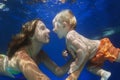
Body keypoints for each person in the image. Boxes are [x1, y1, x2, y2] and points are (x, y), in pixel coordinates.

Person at [52, 9, 120, 80]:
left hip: (102, 47)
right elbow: (76, 49)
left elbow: (83, 50)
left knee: (118, 57)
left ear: (64, 25)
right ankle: (104, 74)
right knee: (90, 67)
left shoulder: (70, 36)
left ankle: (104, 73)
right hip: (95, 56)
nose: (53, 29)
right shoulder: (69, 37)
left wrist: (76, 64)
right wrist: (67, 52)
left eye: (55, 26)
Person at [0, 19, 73, 80]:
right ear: (31, 35)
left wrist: (74, 58)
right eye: (42, 28)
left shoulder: (40, 54)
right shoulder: (21, 56)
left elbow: (58, 71)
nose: (48, 30)